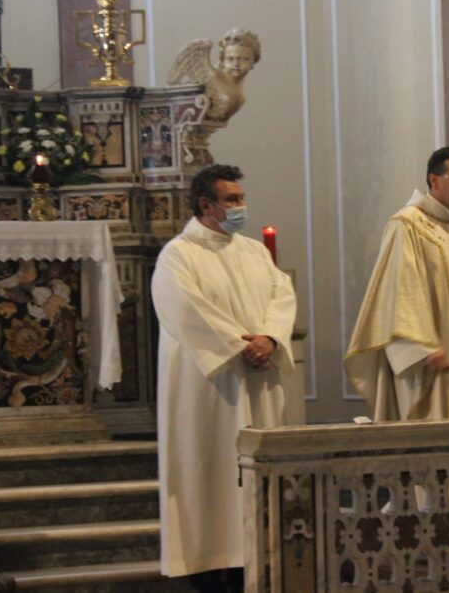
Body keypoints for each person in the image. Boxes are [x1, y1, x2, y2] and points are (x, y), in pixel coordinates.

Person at [151, 164, 304, 591]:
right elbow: (187, 310)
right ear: (206, 205)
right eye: (232, 200)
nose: (241, 207)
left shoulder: (253, 252)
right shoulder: (178, 255)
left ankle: (253, 565)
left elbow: (282, 296)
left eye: (241, 198)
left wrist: (270, 338)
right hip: (210, 389)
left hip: (257, 381)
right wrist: (241, 347)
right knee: (209, 473)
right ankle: (208, 571)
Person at [345, 146, 449, 421]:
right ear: (434, 180)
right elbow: (398, 292)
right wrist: (423, 348)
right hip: (428, 360)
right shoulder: (407, 225)